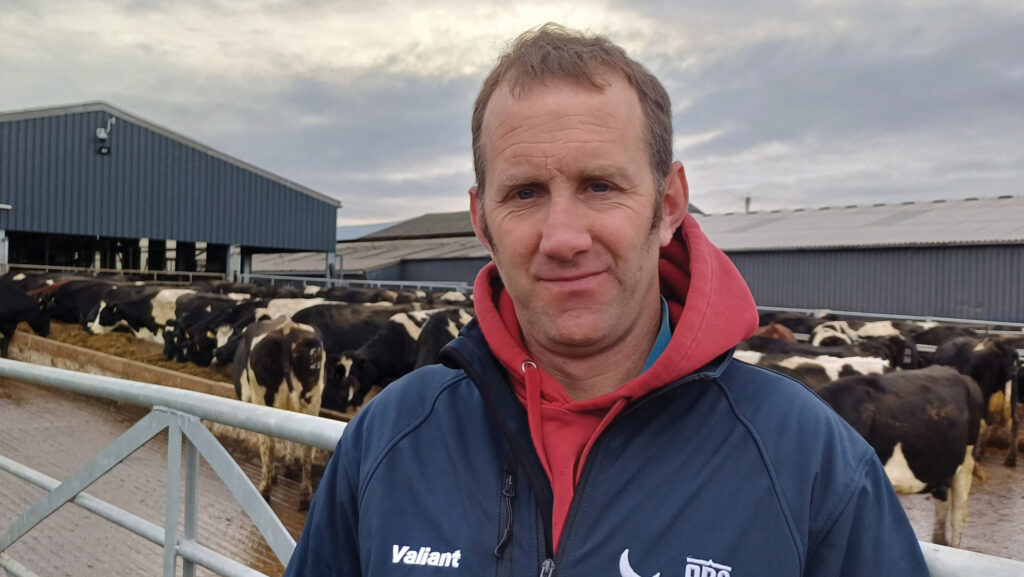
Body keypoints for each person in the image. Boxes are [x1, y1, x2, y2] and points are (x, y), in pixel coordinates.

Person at [286, 24, 930, 577]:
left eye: (599, 186)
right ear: (482, 222)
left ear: (669, 205)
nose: (563, 239)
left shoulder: (809, 461)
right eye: (526, 193)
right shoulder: (390, 438)